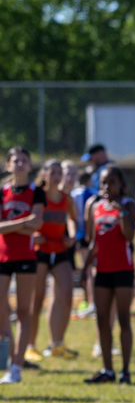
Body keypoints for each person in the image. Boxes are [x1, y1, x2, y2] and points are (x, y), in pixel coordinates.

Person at [82, 165, 135, 384]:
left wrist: (120, 211)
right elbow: (93, 242)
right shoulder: (95, 207)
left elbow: (130, 236)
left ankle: (125, 370)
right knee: (102, 320)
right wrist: (85, 268)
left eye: (111, 182)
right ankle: (107, 370)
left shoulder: (128, 205)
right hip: (102, 270)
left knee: (123, 319)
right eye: (103, 182)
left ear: (121, 184)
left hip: (123, 270)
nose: (107, 186)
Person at [0, 147, 45, 384]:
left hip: (26, 257)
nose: (19, 164)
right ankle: (7, 358)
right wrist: (24, 222)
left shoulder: (36, 192)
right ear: (8, 165)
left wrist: (12, 224)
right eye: (15, 160)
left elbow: (37, 223)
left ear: (29, 165)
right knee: (1, 309)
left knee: (24, 312)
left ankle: (17, 367)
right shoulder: (2, 191)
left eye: (24, 160)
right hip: (3, 256)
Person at [26, 159, 78, 362]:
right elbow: (27, 220)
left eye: (59, 173)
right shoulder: (37, 196)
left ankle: (57, 344)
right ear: (45, 174)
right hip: (40, 251)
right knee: (36, 301)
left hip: (60, 250)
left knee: (66, 295)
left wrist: (72, 237)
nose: (57, 176)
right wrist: (33, 236)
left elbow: (73, 220)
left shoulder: (67, 198)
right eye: (53, 172)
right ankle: (30, 346)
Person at [68, 163, 95, 318]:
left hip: (79, 235)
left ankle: (91, 302)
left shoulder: (75, 193)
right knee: (88, 268)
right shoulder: (93, 193)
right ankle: (89, 301)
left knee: (87, 269)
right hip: (87, 235)